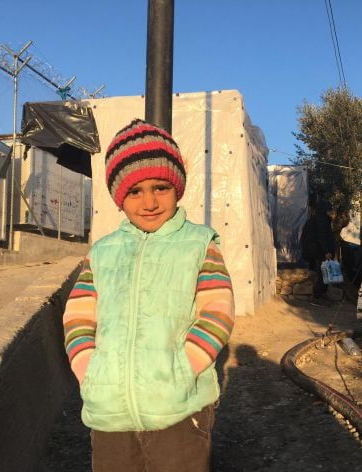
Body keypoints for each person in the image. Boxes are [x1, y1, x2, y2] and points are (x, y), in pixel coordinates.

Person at [62, 119, 235, 472]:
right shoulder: (102, 252)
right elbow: (78, 317)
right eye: (135, 191)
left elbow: (217, 312)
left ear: (177, 188)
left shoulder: (198, 244)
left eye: (160, 187)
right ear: (118, 197)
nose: (150, 201)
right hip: (110, 410)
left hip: (179, 409)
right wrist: (89, 371)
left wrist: (183, 369)